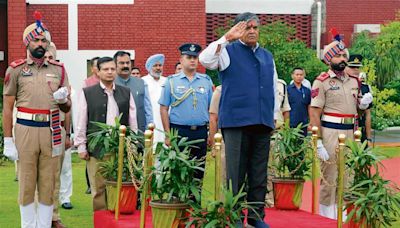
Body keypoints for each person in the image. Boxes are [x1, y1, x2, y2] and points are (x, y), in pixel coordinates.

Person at [199, 12, 279, 227]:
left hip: (262, 121)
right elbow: (205, 60)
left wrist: (274, 116)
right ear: (238, 30)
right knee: (235, 173)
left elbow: (272, 87)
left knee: (259, 173)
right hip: (236, 122)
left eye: (255, 27)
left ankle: (255, 217)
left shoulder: (267, 56)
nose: (252, 31)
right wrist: (227, 38)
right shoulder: (227, 51)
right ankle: (234, 217)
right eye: (247, 27)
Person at [3, 12, 71, 227]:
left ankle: (43, 225)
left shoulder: (59, 70)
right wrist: (7, 140)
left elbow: (67, 107)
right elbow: (7, 107)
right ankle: (27, 225)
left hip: (52, 130)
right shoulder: (15, 70)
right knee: (26, 182)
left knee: (48, 183)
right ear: (28, 42)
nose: (40, 43)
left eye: (44, 40)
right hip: (26, 129)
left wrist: (63, 100)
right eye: (36, 39)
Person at [309, 33, 373, 219]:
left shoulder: (354, 81)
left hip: (350, 132)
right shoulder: (321, 82)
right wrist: (318, 140)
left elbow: (358, 110)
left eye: (344, 55)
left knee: (348, 174)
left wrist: (362, 105)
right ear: (329, 59)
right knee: (330, 175)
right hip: (330, 131)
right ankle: (326, 215)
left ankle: (343, 213)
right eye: (338, 56)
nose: (343, 59)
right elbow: (314, 112)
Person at [74, 57, 138, 211]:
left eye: (112, 69)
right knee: (98, 188)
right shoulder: (87, 93)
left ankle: (117, 219)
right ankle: (101, 220)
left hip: (121, 148)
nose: (109, 72)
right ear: (98, 71)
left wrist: (134, 144)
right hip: (97, 148)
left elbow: (133, 120)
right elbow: (81, 120)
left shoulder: (125, 92)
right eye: (105, 69)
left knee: (120, 185)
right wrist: (81, 146)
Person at [159, 43, 213, 179]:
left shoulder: (205, 80)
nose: (193, 60)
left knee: (199, 171)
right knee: (179, 172)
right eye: (189, 57)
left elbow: (212, 110)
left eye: (195, 57)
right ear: (181, 60)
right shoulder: (171, 81)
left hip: (200, 131)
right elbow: (164, 108)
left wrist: (212, 133)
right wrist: (167, 134)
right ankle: (180, 200)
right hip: (179, 132)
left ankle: (195, 200)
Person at [43, 43, 73, 228]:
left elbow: (68, 109)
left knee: (54, 177)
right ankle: (39, 216)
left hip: (57, 129)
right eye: (44, 57)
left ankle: (54, 216)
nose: (47, 61)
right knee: (37, 178)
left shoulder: (60, 75)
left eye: (50, 57)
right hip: (35, 129)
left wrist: (68, 134)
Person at [113, 51, 153, 132]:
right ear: (115, 65)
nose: (125, 66)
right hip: (116, 131)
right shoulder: (111, 83)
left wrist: (149, 128)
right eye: (122, 63)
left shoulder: (141, 83)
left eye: (128, 63)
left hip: (139, 131)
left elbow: (147, 108)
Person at [345, 54, 373, 144]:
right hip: (342, 127)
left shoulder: (364, 87)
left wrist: (368, 138)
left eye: (358, 67)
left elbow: (367, 114)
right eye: (352, 67)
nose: (356, 70)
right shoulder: (339, 84)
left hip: (359, 128)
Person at [142, 54, 167, 146]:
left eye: (160, 65)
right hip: (150, 119)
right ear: (149, 67)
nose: (158, 68)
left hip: (164, 119)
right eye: (155, 65)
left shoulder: (167, 81)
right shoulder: (143, 81)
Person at [288, 67, 311, 136]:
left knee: (303, 143)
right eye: (297, 74)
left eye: (301, 75)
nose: (299, 76)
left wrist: (310, 121)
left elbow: (309, 106)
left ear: (304, 76)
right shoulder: (288, 90)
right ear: (292, 76)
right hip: (291, 122)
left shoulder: (307, 91)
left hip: (303, 123)